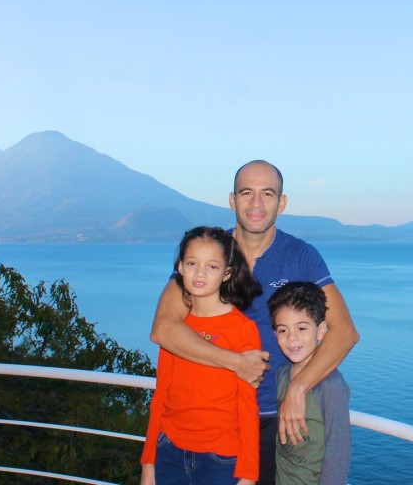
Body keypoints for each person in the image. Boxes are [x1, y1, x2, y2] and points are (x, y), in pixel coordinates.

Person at [151, 160, 360, 485]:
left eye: (268, 194)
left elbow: (344, 331)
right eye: (247, 193)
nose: (257, 203)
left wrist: (298, 388)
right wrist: (235, 362)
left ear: (282, 202)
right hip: (208, 420)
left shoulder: (301, 256)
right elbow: (164, 327)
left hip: (274, 420)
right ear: (233, 200)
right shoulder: (210, 254)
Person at [141, 226, 263, 485]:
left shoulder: (242, 329)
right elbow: (161, 393)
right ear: (180, 268)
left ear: (227, 273)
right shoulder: (177, 330)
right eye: (192, 263)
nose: (200, 273)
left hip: (221, 458)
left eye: (212, 266)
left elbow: (247, 407)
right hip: (169, 450)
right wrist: (148, 463)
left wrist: (249, 475)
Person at [268, 282, 351, 485]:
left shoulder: (331, 386)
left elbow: (338, 450)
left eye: (302, 328)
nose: (292, 338)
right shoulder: (282, 374)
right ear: (274, 335)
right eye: (283, 330)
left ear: (321, 330)